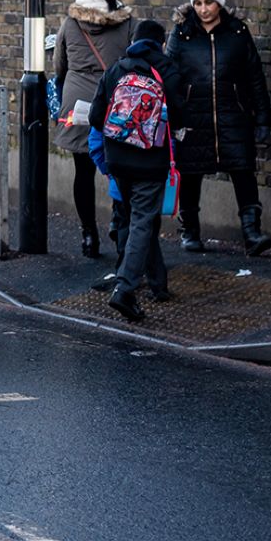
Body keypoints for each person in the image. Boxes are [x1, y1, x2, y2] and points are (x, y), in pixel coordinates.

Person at [167, 0, 271, 256]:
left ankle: (252, 234)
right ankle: (190, 231)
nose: (203, 9)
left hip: (233, 114)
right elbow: (170, 76)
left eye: (209, 3)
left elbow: (255, 77)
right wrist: (174, 114)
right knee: (191, 174)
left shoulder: (237, 33)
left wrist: (263, 118)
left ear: (219, 3)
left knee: (243, 172)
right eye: (198, 3)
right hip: (194, 116)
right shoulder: (181, 34)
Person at [89, 20, 182, 322]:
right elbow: (181, 116)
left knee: (137, 221)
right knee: (143, 222)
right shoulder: (167, 70)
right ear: (161, 42)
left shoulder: (117, 68)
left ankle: (158, 283)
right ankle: (125, 289)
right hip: (150, 161)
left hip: (117, 160)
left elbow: (94, 117)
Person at [53, 0, 133, 257]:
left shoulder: (70, 23)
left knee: (83, 171)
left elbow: (59, 65)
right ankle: (118, 221)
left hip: (79, 102)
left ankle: (89, 234)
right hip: (117, 99)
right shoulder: (127, 23)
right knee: (121, 168)